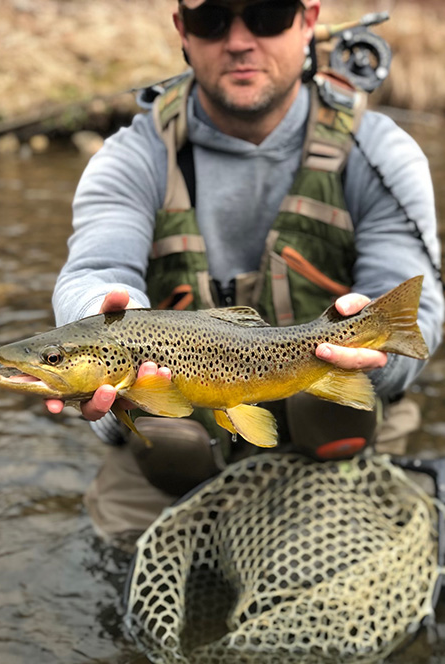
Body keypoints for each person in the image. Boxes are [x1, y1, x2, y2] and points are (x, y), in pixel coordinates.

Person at [48, 0, 443, 539]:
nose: (238, 40)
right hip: (174, 454)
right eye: (212, 20)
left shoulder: (379, 151)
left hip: (335, 439)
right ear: (183, 31)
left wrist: (376, 356)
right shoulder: (129, 157)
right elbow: (93, 270)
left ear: (307, 21)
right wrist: (95, 316)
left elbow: (414, 302)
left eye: (266, 14)